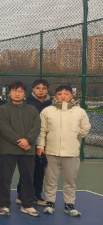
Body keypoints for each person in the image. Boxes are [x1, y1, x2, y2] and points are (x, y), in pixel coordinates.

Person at [37, 85, 91, 217]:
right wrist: (40, 146)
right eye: (60, 94)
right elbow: (42, 130)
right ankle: (50, 203)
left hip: (71, 153)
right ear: (55, 96)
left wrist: (76, 136)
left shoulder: (80, 112)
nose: (63, 96)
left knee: (70, 181)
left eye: (66, 94)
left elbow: (85, 127)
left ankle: (69, 205)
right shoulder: (47, 111)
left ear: (71, 95)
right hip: (51, 152)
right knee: (50, 181)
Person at [0, 81, 41, 217]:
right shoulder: (2, 109)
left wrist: (27, 140)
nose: (17, 93)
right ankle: (4, 205)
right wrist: (20, 141)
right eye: (14, 91)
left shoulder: (32, 109)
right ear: (9, 93)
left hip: (27, 150)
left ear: (24, 93)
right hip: (8, 150)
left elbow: (36, 127)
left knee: (28, 178)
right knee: (5, 178)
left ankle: (27, 205)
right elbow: (4, 128)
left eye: (20, 91)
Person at [17, 79, 52, 206]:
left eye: (43, 88)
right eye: (38, 88)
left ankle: (37, 195)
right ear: (33, 90)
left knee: (40, 170)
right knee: (27, 170)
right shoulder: (26, 103)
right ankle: (21, 195)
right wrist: (27, 139)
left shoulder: (51, 105)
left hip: (45, 143)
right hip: (29, 142)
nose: (41, 90)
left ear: (47, 90)